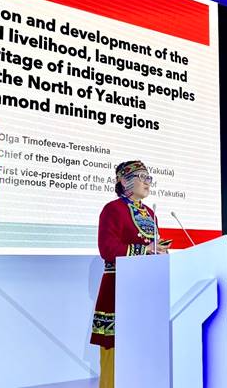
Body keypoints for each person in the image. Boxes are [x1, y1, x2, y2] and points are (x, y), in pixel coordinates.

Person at [90, 160, 170, 388]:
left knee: (144, 347)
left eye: (149, 178)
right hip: (118, 289)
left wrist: (161, 252)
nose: (148, 182)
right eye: (142, 177)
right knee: (115, 350)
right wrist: (145, 250)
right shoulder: (112, 209)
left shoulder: (151, 213)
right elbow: (107, 249)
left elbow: (152, 247)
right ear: (125, 181)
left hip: (146, 290)